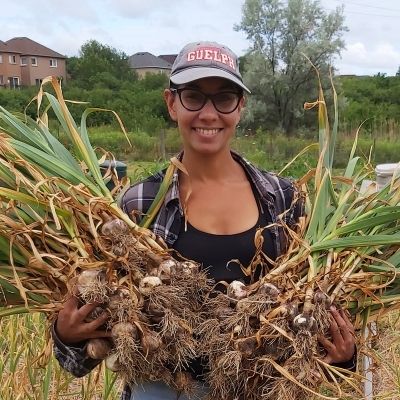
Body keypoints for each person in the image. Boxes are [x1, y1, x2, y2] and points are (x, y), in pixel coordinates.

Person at [53, 41, 356, 400]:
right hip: (162, 389)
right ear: (171, 103)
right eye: (194, 96)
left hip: (260, 388)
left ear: (240, 107)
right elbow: (86, 352)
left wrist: (341, 359)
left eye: (224, 98)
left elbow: (318, 317)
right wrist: (67, 335)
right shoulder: (136, 205)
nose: (209, 114)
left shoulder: (284, 200)